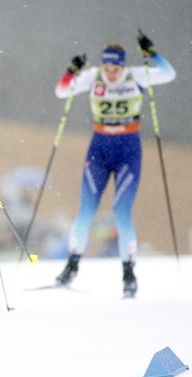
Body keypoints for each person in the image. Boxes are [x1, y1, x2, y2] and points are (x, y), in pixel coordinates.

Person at [53, 32, 176, 297]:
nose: (110, 73)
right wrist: (71, 71)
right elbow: (61, 91)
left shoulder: (136, 75)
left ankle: (128, 273)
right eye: (107, 67)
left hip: (128, 151)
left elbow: (169, 74)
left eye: (115, 68)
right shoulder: (93, 76)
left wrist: (152, 53)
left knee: (122, 212)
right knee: (86, 211)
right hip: (99, 149)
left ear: (123, 65)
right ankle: (71, 266)